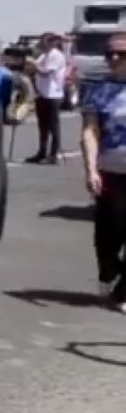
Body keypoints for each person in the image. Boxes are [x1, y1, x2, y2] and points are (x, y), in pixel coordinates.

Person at [81, 32, 126, 310]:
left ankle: (124, 292)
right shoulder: (98, 90)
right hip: (111, 170)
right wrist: (90, 169)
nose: (114, 59)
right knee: (108, 233)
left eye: (121, 54)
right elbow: (90, 130)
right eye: (109, 54)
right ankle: (109, 271)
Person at [29, 32, 68, 165]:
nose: (41, 44)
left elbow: (45, 72)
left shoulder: (56, 56)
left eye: (44, 41)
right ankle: (42, 152)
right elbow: (34, 68)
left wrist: (34, 65)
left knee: (53, 126)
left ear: (51, 42)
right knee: (42, 126)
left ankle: (53, 155)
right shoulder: (44, 55)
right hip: (42, 93)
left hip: (53, 95)